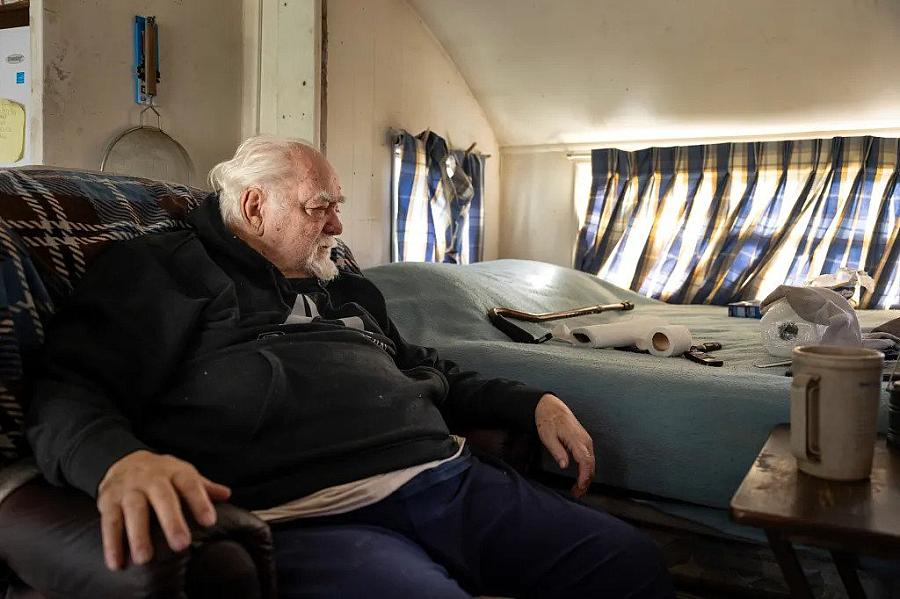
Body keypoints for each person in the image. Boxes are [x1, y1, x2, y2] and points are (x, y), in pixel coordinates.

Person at [26, 137, 673, 598]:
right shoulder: (161, 272)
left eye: (337, 203)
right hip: (315, 516)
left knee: (630, 563)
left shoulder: (342, 282)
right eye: (319, 207)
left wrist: (532, 400)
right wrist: (118, 461)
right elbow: (69, 391)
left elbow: (424, 366)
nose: (339, 222)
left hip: (449, 481)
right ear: (254, 207)